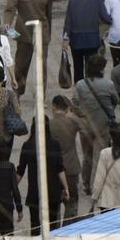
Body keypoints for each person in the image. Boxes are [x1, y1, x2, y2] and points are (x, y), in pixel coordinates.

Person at [3, 0, 53, 97]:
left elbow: (49, 16)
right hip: (23, 35)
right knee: (20, 66)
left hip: (41, 36)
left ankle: (41, 96)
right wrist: (7, 23)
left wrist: (48, 36)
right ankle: (17, 93)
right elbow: (10, 8)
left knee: (41, 68)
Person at [71, 53, 119, 193]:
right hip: (103, 127)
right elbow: (115, 100)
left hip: (85, 127)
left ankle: (86, 185)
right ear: (101, 69)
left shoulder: (80, 84)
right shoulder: (108, 84)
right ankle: (99, 184)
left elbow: (74, 103)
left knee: (87, 157)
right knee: (101, 156)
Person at [17, 116, 68, 232]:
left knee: (35, 224)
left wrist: (12, 188)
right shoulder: (55, 145)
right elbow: (60, 169)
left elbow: (20, 171)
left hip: (35, 191)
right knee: (52, 224)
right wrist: (66, 187)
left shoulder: (28, 145)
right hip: (52, 191)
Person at [62, 0, 111, 83]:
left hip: (76, 40)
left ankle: (79, 91)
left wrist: (65, 39)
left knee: (77, 68)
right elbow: (106, 18)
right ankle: (90, 90)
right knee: (91, 68)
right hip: (92, 40)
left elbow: (68, 21)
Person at [50, 95, 82, 223]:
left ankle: (54, 232)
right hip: (71, 167)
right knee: (72, 204)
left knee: (54, 205)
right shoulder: (72, 121)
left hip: (53, 169)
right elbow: (87, 126)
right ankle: (68, 230)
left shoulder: (49, 124)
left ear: (53, 106)